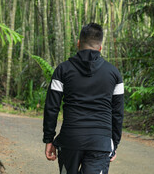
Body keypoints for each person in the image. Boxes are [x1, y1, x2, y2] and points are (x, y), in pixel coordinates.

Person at [43, 23, 124, 174]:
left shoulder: (62, 70)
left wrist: (49, 138)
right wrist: (114, 143)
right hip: (100, 142)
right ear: (100, 47)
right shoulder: (114, 74)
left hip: (70, 139)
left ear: (78, 43)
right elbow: (118, 113)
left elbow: (51, 107)